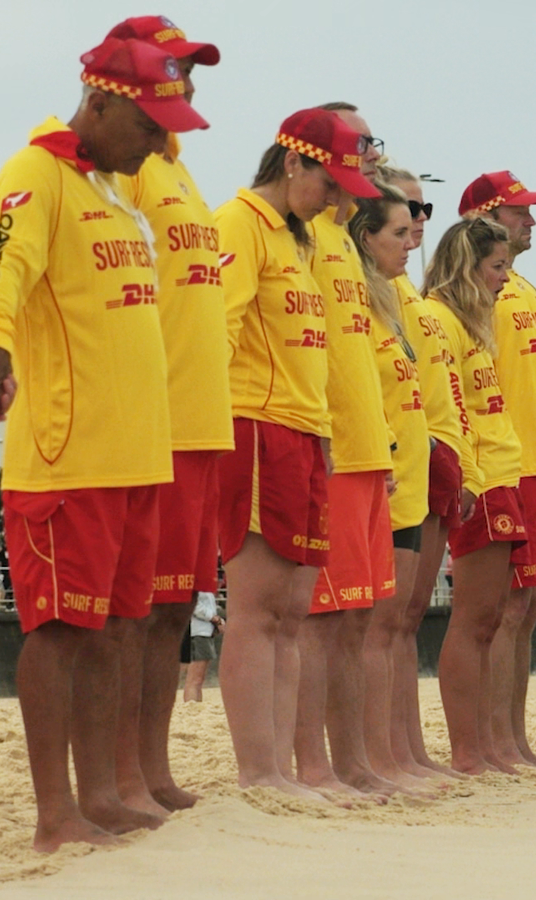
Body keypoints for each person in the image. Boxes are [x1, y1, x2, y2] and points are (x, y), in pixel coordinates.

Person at [0, 35, 206, 849]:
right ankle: (56, 814)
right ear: (103, 103)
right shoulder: (34, 172)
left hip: (138, 450)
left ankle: (104, 793)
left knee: (123, 628)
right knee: (61, 630)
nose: (161, 143)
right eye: (151, 125)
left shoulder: (114, 191)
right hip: (68, 451)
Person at [215, 107, 371, 804]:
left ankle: (278, 768)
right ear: (293, 162)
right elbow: (217, 328)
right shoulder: (242, 223)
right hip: (255, 424)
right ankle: (261, 772)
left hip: (304, 430)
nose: (338, 198)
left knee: (292, 613)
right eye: (328, 181)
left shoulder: (298, 238)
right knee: (258, 609)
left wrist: (326, 434)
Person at [108, 15, 228, 817]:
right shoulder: (128, 170)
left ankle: (150, 767)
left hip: (200, 420)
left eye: (187, 67)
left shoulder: (181, 172)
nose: (183, 78)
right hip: (153, 420)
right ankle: (119, 772)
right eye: (170, 66)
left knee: (175, 613)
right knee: (137, 613)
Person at [295, 102, 396, 797]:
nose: (370, 152)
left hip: (366, 453)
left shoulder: (340, 240)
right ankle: (312, 763)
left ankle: (355, 761)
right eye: (358, 141)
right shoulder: (298, 232)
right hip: (326, 448)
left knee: (358, 618)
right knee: (321, 621)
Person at [465, 171, 536, 768]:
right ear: (486, 218)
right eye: (520, 212)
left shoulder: (526, 291)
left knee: (530, 606)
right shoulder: (477, 288)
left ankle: (514, 734)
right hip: (509, 461)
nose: (531, 220)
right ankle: (492, 738)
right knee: (505, 607)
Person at [425, 217, 529, 774]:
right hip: (479, 477)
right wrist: (468, 474)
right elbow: (450, 407)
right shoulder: (441, 318)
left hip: (500, 471)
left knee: (491, 621)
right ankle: (468, 748)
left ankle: (484, 743)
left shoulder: (471, 323)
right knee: (475, 618)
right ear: (467, 266)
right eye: (496, 267)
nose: (504, 280)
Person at [345, 183, 436, 793]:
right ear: (365, 237)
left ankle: (396, 754)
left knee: (396, 624)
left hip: (403, 476)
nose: (412, 242)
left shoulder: (392, 303)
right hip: (374, 469)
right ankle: (375, 757)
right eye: (400, 233)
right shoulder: (359, 299)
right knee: (370, 629)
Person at [388, 168, 468, 779]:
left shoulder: (414, 298)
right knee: (386, 619)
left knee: (408, 617)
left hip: (433, 447)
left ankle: (407, 749)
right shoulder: (396, 293)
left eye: (424, 207)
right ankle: (389, 752)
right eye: (410, 206)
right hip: (400, 450)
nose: (420, 217)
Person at [184, 592, 224, 703]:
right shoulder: (195, 581)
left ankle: (195, 705)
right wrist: (215, 619)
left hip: (203, 631)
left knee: (198, 679)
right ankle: (191, 707)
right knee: (195, 679)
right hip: (198, 632)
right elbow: (194, 605)